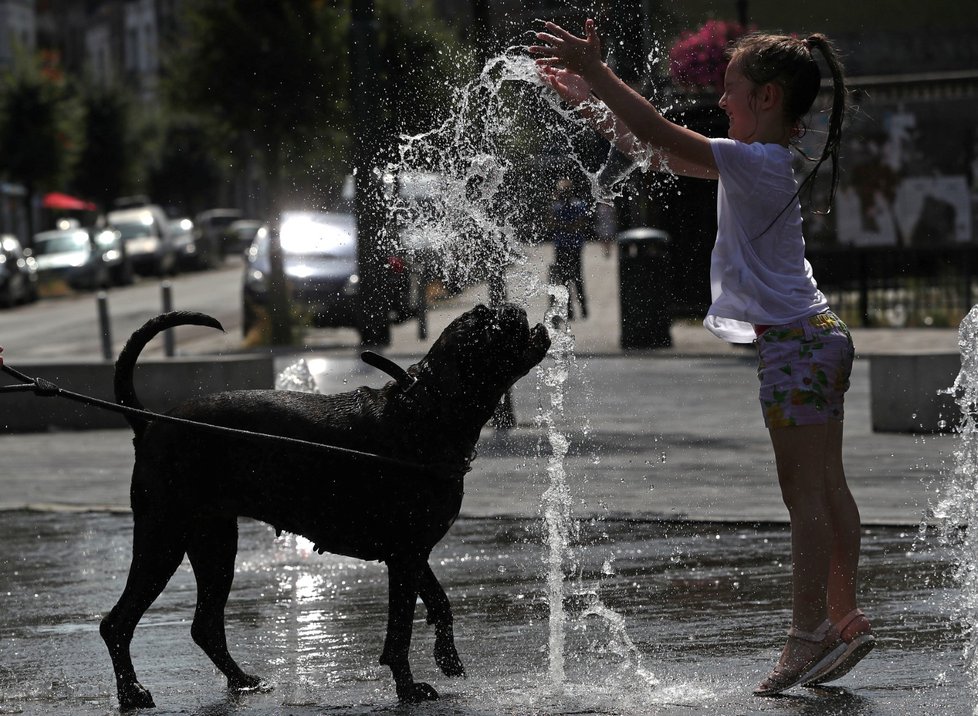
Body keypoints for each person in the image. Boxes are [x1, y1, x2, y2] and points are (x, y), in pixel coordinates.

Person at [530, 19, 874, 695]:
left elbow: (660, 132)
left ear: (769, 98)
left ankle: (809, 635)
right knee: (829, 488)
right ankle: (844, 617)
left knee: (804, 496)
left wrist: (599, 73)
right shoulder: (761, 162)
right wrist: (589, 104)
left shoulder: (753, 160)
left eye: (732, 89)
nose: (721, 100)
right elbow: (657, 153)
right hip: (821, 334)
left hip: (795, 346)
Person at [550, 177, 591, 320]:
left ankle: (573, 310)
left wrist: (563, 226)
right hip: (570, 244)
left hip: (565, 245)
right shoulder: (577, 205)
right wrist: (569, 226)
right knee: (574, 278)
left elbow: (554, 224)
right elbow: (578, 224)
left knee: (570, 278)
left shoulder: (559, 207)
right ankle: (579, 309)